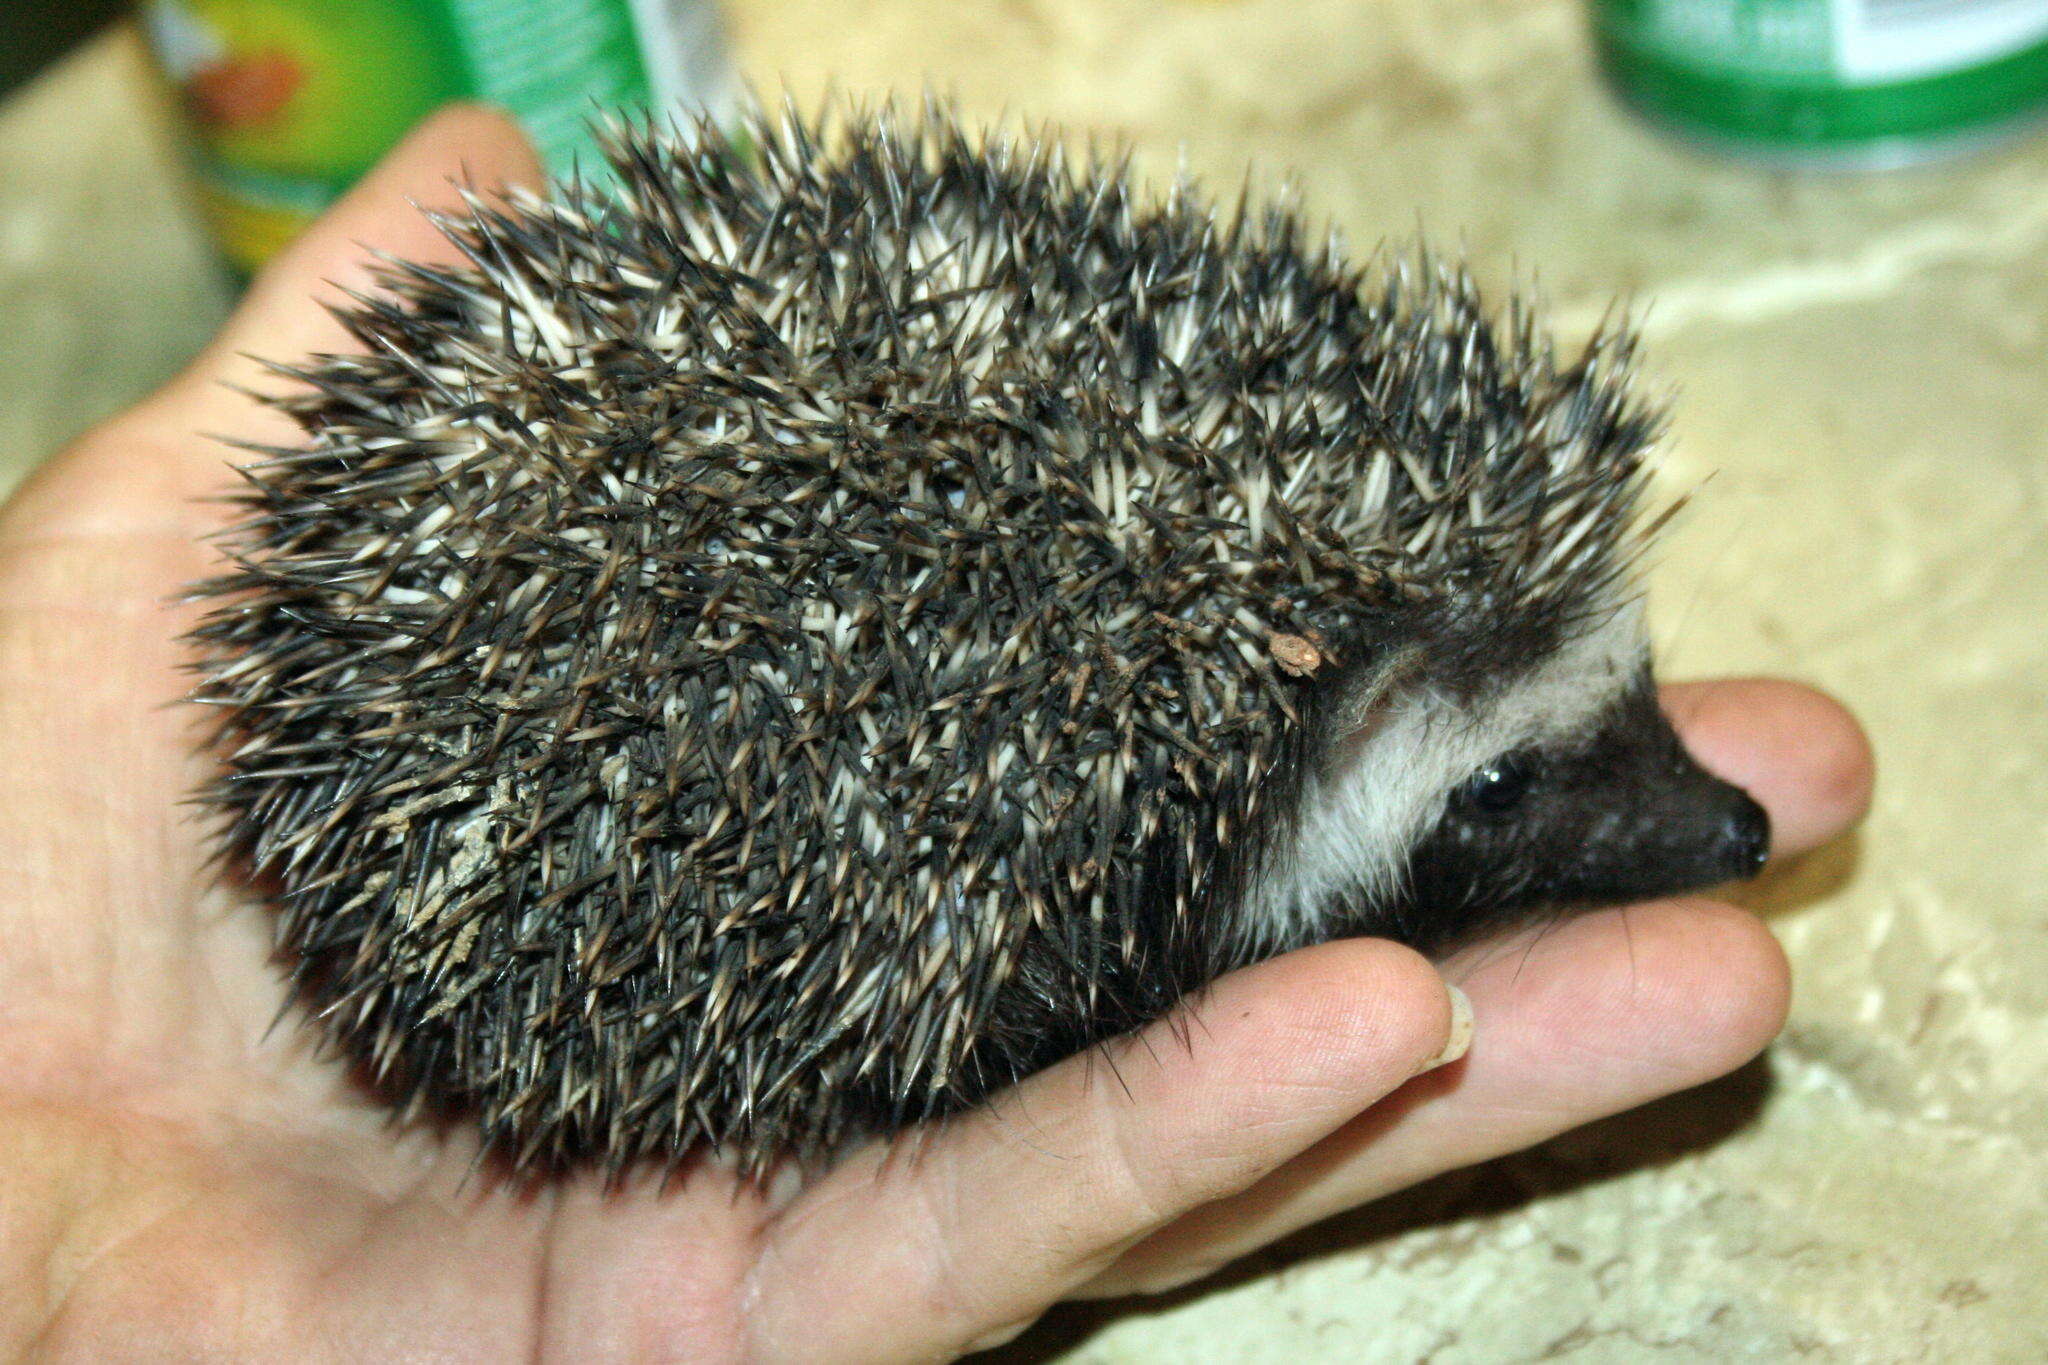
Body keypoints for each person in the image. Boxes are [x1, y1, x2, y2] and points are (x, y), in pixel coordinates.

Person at [0, 106, 1872, 1361]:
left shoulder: (1240, 696)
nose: (1688, 820)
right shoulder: (1122, 828)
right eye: (1513, 785)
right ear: (1331, 736)